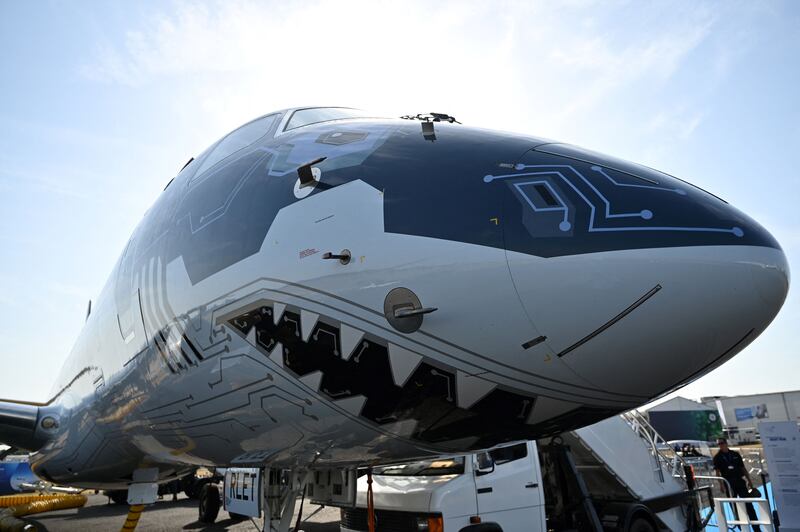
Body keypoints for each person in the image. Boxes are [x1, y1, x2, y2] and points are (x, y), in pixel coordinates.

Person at [713, 438, 760, 531]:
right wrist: (721, 485)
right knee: (734, 507)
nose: (720, 445)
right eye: (718, 444)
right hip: (729, 484)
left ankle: (756, 528)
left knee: (748, 504)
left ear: (726, 443)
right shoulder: (717, 457)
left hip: (740, 482)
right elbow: (717, 473)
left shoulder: (735, 454)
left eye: (722, 443)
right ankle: (741, 528)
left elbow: (743, 468)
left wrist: (749, 481)